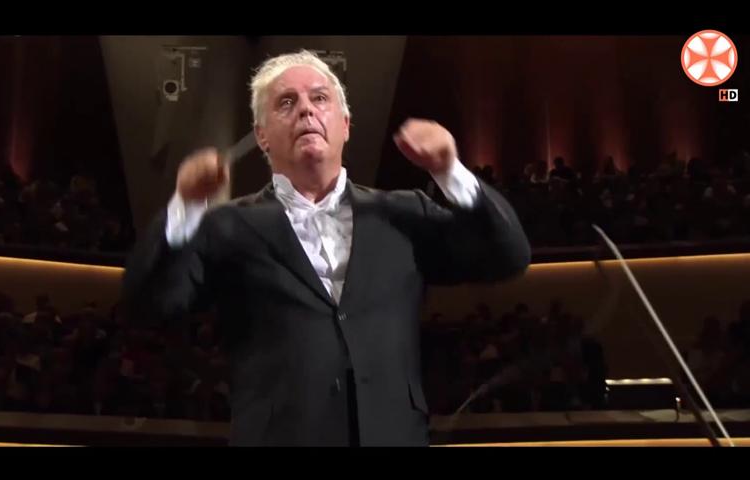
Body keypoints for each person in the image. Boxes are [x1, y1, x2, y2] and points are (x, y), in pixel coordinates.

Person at [122, 50, 530, 446]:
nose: (306, 109)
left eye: (319, 98)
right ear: (262, 136)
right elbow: (149, 303)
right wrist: (186, 205)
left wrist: (449, 170)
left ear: (345, 124)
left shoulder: (403, 213)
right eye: (287, 102)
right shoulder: (226, 225)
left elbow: (507, 256)